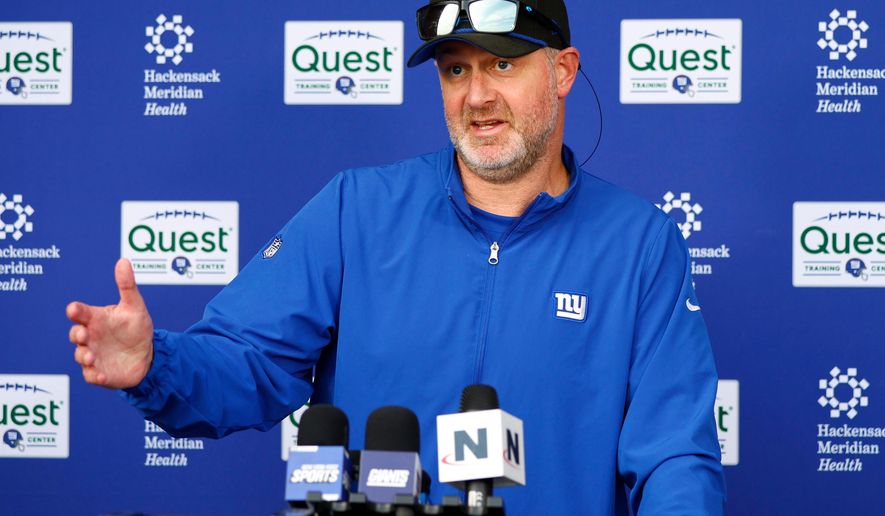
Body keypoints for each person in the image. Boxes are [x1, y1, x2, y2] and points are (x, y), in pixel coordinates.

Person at [66, 1, 726, 514]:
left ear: (562, 72)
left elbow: (674, 455)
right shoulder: (356, 209)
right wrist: (156, 363)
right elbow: (248, 363)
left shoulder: (639, 244)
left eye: (502, 65)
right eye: (456, 69)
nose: (476, 96)